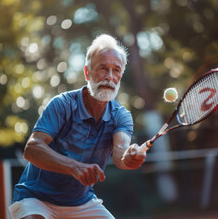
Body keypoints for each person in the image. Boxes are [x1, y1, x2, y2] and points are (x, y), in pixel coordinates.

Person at [9, 34, 147, 219]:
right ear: (87, 72)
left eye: (116, 70)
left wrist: (129, 157)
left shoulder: (121, 115)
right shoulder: (62, 104)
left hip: (82, 203)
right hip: (36, 198)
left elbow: (121, 153)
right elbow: (32, 150)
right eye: (103, 68)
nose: (109, 77)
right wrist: (74, 167)